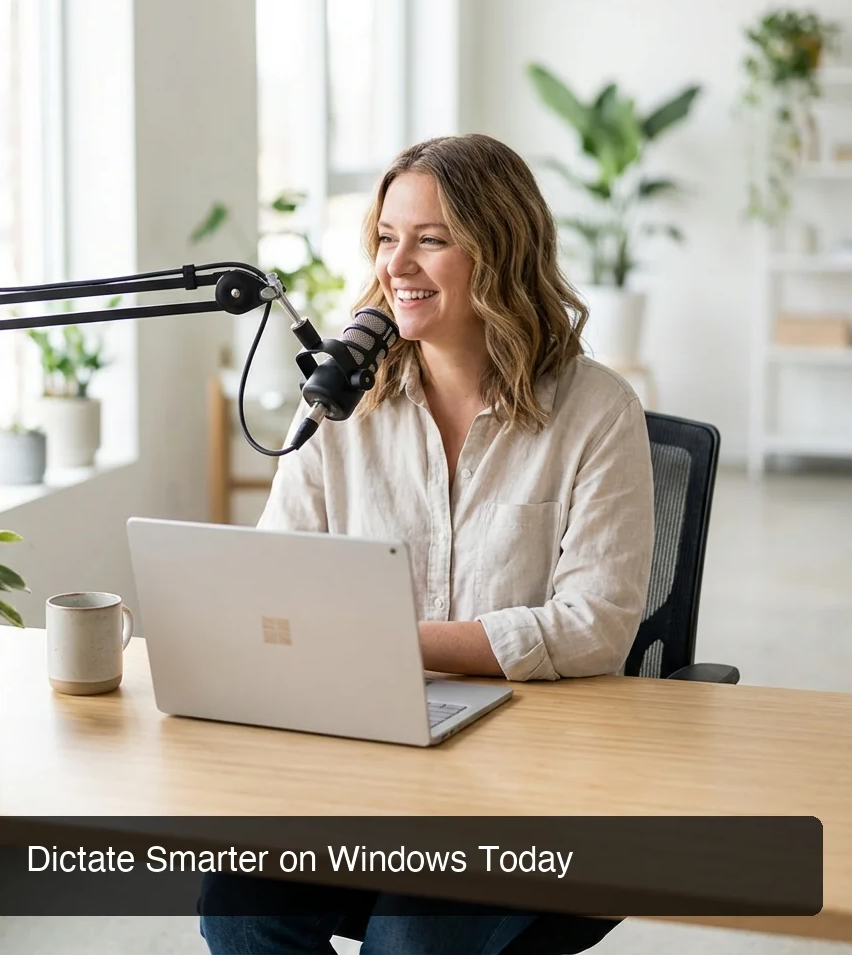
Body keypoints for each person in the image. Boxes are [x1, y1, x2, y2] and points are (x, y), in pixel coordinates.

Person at [199, 133, 655, 954]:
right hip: (368, 763)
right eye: (386, 237)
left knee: (414, 935)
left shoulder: (597, 411)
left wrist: (389, 646)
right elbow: (275, 581)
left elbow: (595, 624)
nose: (396, 265)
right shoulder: (343, 408)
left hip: (528, 777)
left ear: (502, 251)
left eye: (431, 240)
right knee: (237, 909)